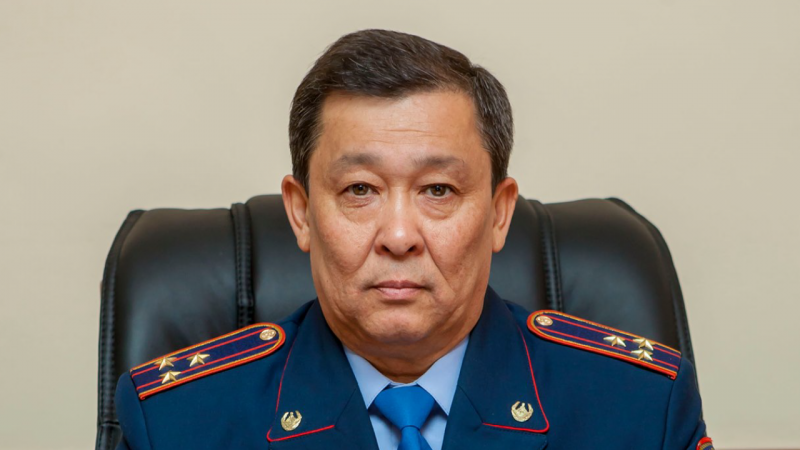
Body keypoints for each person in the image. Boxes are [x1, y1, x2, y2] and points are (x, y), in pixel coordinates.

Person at [114, 29, 712, 450]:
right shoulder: (176, 422)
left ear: (500, 214)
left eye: (438, 190)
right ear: (301, 214)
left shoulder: (640, 408)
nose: (399, 237)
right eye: (359, 190)